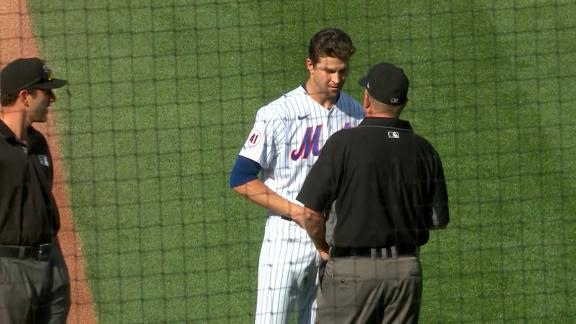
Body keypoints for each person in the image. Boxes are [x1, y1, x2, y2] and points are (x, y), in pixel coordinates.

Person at [296, 62, 450, 323]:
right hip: (405, 273)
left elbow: (310, 213)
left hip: (352, 270)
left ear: (366, 99)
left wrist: (323, 248)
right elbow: (437, 221)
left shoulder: (343, 143)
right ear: (404, 102)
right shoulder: (424, 150)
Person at [229, 28, 364, 323]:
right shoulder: (278, 114)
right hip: (285, 237)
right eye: (329, 70)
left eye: (343, 71)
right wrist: (298, 212)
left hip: (332, 240)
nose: (337, 79)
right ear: (310, 65)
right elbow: (240, 179)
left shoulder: (355, 114)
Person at [0, 57, 70, 323]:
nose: (52, 98)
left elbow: (43, 202)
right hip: (9, 271)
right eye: (46, 91)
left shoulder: (39, 142)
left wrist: (57, 259)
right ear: (25, 96)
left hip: (51, 264)